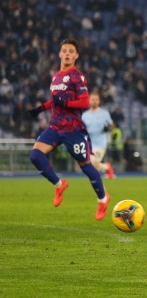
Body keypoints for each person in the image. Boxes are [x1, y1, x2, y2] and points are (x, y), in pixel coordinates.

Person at [26, 38, 111, 220]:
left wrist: (63, 102)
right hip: (55, 127)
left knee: (86, 166)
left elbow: (84, 102)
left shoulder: (77, 76)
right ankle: (59, 185)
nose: (67, 54)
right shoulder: (55, 77)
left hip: (73, 129)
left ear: (76, 56)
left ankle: (103, 198)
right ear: (59, 53)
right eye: (64, 50)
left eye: (71, 51)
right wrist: (40, 109)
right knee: (35, 155)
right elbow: (54, 101)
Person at [82, 92, 115, 179]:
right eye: (93, 99)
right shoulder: (85, 116)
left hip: (100, 143)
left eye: (96, 100)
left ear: (99, 101)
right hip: (89, 144)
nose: (94, 101)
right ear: (89, 101)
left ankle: (100, 189)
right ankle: (107, 167)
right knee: (90, 164)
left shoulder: (104, 113)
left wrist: (109, 128)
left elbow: (112, 125)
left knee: (94, 165)